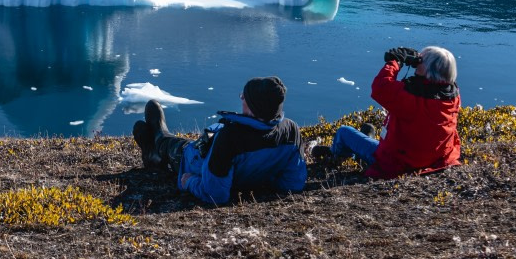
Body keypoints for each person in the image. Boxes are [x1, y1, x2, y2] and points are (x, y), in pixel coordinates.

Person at [132, 76, 307, 206]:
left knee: (172, 145)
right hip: (235, 171)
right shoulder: (290, 130)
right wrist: (261, 180)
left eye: (244, 97)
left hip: (192, 162)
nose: (241, 99)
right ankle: (153, 152)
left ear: (254, 108)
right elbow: (294, 182)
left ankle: (157, 143)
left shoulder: (232, 138)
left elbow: (215, 195)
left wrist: (189, 181)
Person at [323, 45, 460, 179]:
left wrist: (396, 61)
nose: (417, 64)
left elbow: (380, 87)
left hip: (398, 164)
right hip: (435, 160)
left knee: (344, 132)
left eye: (420, 62)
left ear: (428, 70)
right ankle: (366, 141)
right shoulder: (452, 97)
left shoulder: (412, 98)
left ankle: (336, 157)